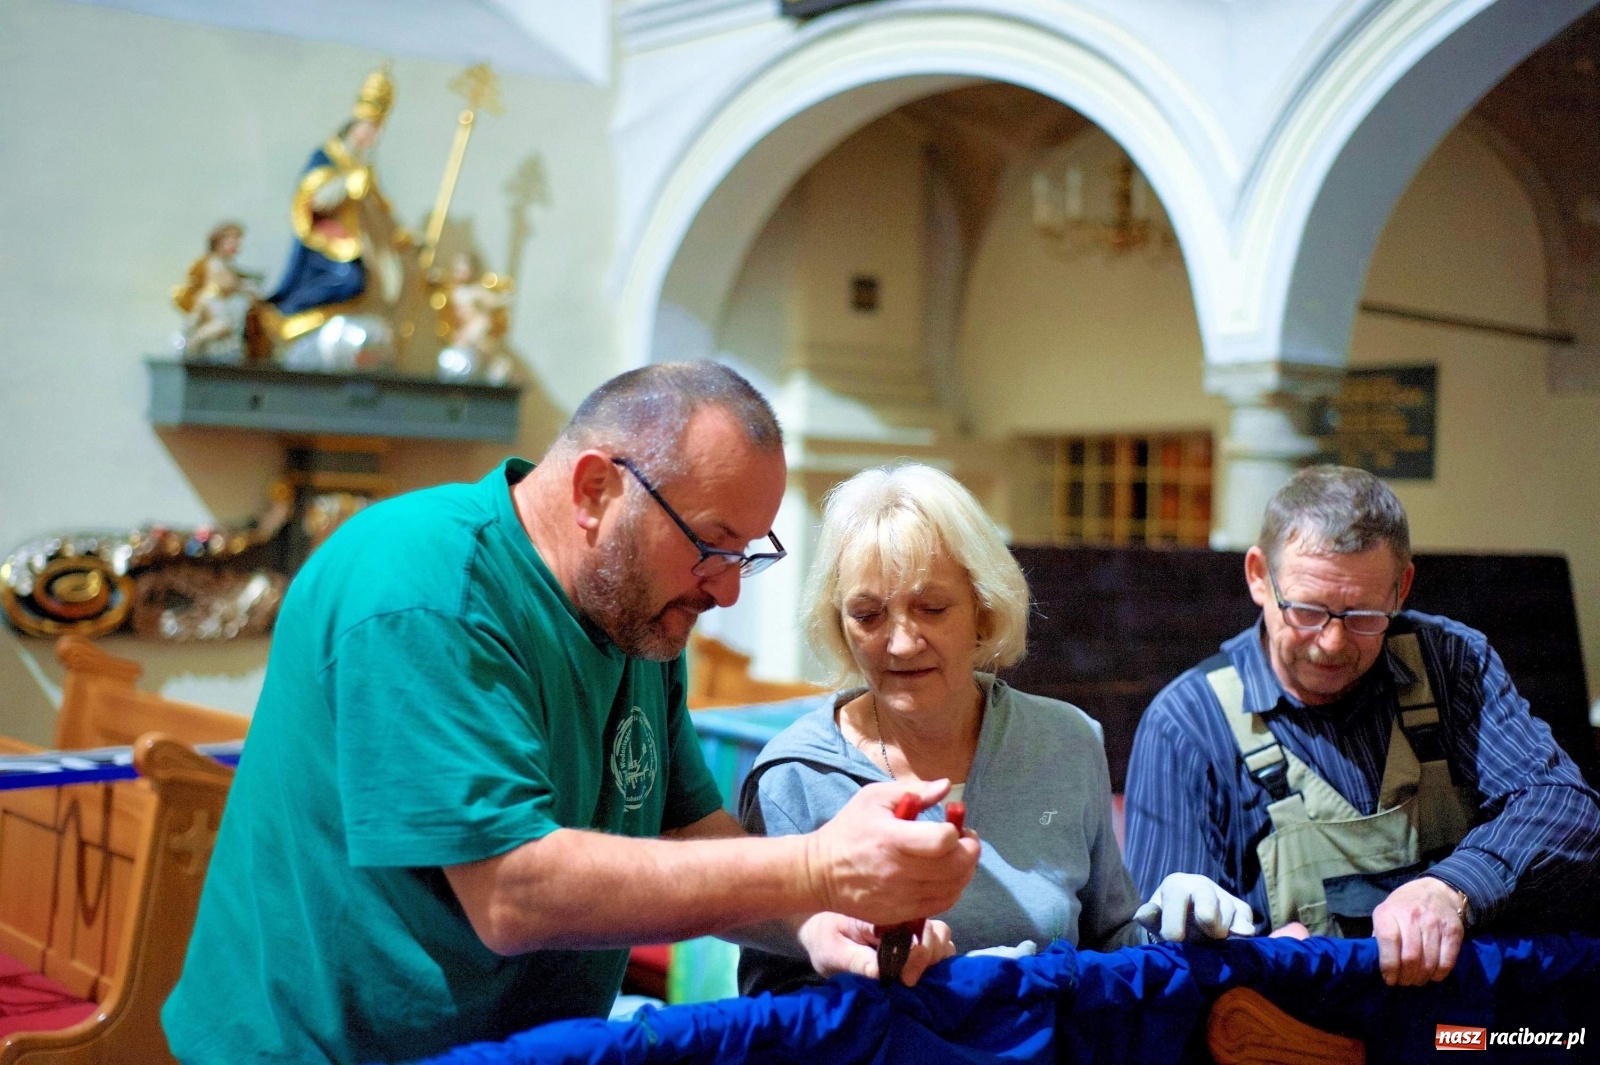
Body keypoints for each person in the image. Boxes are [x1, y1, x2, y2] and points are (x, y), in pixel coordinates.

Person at [162, 363, 980, 1065]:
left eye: (747, 555)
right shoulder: (426, 588)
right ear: (597, 489)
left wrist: (826, 920)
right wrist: (818, 866)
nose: (727, 589)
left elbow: (689, 830)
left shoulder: (636, 612)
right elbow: (513, 892)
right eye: (712, 543)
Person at [738, 463, 1253, 995]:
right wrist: (936, 991)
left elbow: (1109, 944)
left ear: (983, 610)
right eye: (868, 616)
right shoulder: (794, 777)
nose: (901, 643)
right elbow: (770, 1008)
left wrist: (1176, 926)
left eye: (931, 608)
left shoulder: (1066, 740)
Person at [1125, 465, 1600, 987]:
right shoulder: (1187, 726)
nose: (1331, 643)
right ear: (1260, 577)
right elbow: (1159, 958)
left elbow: (1565, 805)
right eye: (1307, 610)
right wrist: (1248, 957)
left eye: (1362, 615)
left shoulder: (1450, 666)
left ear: (1402, 588)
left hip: (1458, 1030)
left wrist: (1453, 887)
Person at [265, 66, 410, 350]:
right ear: (355, 126)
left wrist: (400, 236)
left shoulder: (362, 166)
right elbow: (314, 199)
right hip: (325, 243)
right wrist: (347, 185)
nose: (372, 139)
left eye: (377, 132)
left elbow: (379, 207)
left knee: (360, 283)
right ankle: (285, 314)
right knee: (348, 279)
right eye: (369, 130)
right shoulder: (327, 157)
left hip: (350, 241)